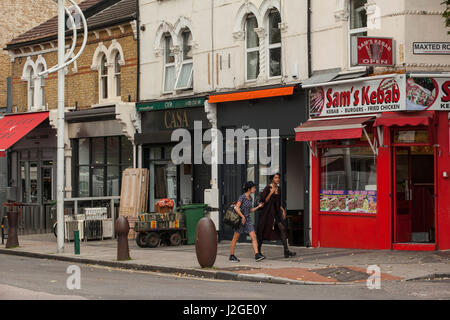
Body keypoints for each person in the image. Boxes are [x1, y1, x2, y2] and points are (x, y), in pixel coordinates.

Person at [257, 173, 296, 258]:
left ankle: (286, 251)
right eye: (276, 178)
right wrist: (271, 192)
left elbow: (278, 202)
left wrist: (282, 210)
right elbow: (264, 200)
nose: (278, 179)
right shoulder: (268, 188)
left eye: (278, 178)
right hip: (267, 214)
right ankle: (258, 252)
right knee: (262, 232)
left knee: (282, 229)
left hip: (275, 213)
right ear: (272, 179)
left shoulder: (279, 189)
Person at [229, 181, 265, 262]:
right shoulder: (242, 197)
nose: (255, 189)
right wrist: (242, 217)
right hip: (240, 220)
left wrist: (258, 207)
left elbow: (250, 210)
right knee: (235, 238)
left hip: (247, 220)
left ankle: (257, 255)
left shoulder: (250, 198)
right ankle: (231, 255)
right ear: (249, 189)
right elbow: (237, 208)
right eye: (254, 187)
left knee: (254, 237)